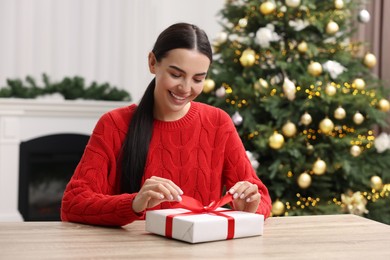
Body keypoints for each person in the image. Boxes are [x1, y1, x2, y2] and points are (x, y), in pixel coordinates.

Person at [61, 22, 272, 226]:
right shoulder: (114, 125)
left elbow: (262, 198)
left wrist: (249, 207)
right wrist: (134, 203)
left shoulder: (218, 123)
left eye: (198, 79)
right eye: (176, 75)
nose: (185, 88)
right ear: (153, 62)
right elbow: (73, 203)